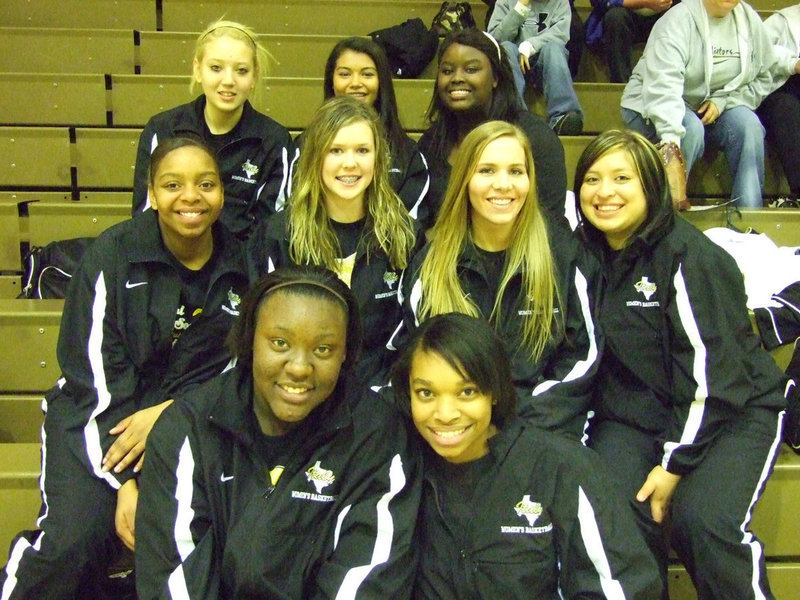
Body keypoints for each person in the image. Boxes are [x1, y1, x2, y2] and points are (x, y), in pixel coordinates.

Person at [0, 135, 250, 599]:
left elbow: (238, 370)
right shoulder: (111, 256)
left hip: (197, 423)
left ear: (221, 192)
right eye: (173, 184)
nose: (191, 197)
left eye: (206, 184)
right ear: (152, 193)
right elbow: (93, 376)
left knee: (212, 544)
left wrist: (172, 413)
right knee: (73, 543)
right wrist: (127, 484)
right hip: (97, 419)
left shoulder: (244, 264)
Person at [575, 129, 787, 599]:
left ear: (650, 184)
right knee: (618, 508)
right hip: (637, 413)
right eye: (592, 178)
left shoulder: (691, 257)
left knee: (703, 521)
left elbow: (715, 376)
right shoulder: (582, 254)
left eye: (621, 178)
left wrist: (673, 464)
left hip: (732, 409)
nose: (604, 192)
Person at [135, 264, 422, 599]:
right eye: (280, 342)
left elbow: (368, 581)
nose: (299, 367)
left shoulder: (380, 437)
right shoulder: (188, 427)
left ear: (346, 353)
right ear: (250, 339)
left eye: (323, 349)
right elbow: (173, 580)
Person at [390, 312, 661, 599]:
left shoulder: (561, 468)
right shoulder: (396, 468)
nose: (445, 414)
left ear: (493, 391)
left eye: (467, 392)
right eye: (426, 393)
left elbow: (624, 588)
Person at [400, 120, 598, 440]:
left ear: (530, 180)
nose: (503, 184)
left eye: (516, 171)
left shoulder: (562, 256)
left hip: (540, 430)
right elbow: (417, 363)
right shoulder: (430, 266)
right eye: (487, 171)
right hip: (455, 431)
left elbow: (581, 359)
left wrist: (521, 429)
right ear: (464, 179)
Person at [248, 97, 417, 390]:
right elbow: (259, 328)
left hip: (377, 392)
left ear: (378, 159)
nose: (350, 163)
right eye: (336, 150)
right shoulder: (279, 234)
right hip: (296, 387)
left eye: (362, 150)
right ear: (316, 157)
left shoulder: (404, 235)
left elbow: (410, 333)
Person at [131, 19, 292, 239]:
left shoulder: (274, 140)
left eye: (241, 71)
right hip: (171, 262)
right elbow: (145, 217)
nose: (228, 81)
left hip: (242, 268)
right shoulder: (162, 130)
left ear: (254, 76)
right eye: (216, 68)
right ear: (198, 70)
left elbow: (270, 230)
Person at [620, 0, 780, 209]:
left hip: (709, 108)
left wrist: (724, 101)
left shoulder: (750, 20)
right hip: (650, 106)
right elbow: (662, 88)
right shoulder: (677, 21)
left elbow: (764, 75)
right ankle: (664, 213)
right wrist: (671, 144)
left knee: (749, 125)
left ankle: (748, 218)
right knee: (690, 129)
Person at [417, 28, 568, 228]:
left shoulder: (535, 138)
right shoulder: (431, 142)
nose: (456, 78)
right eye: (447, 71)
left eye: (471, 69)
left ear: (495, 77)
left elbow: (551, 224)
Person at [314, 37, 430, 222]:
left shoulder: (407, 154)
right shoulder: (306, 145)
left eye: (367, 74)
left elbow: (409, 231)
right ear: (331, 81)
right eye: (344, 74)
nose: (355, 83)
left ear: (382, 81)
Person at [488, 0, 584, 135]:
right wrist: (520, 7)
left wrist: (531, 45)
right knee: (506, 49)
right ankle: (515, 115)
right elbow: (495, 39)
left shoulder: (560, 2)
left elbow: (560, 35)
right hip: (513, 65)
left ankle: (563, 115)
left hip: (544, 66)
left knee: (554, 49)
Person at [757, 3, 800, 203]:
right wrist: (793, 63)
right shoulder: (783, 20)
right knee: (785, 108)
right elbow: (757, 53)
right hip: (782, 94)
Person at [585, 0, 677, 83]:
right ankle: (621, 85)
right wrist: (645, 2)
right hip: (625, 13)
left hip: (662, 13)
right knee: (615, 17)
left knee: (678, 14)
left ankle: (671, 83)